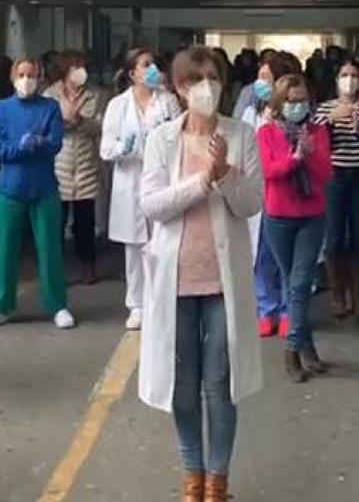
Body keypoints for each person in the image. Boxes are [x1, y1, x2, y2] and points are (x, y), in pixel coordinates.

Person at [138, 46, 263, 502]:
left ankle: (217, 481)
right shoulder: (162, 139)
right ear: (178, 88)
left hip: (222, 283)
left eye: (213, 77)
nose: (206, 87)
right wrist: (201, 180)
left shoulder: (241, 134)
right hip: (176, 281)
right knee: (183, 386)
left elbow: (252, 203)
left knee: (219, 384)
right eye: (195, 80)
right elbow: (153, 205)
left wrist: (225, 172)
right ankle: (193, 475)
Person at [0, 58, 75, 330]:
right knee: (6, 248)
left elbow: (55, 144)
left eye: (31, 75)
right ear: (12, 78)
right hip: (10, 189)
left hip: (44, 188)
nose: (26, 80)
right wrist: (22, 149)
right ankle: (1, 305)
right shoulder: (1, 108)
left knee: (50, 248)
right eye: (21, 74)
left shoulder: (50, 107)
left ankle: (57, 305)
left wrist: (39, 143)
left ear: (40, 78)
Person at [258, 73, 333, 383]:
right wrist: (294, 158)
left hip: (312, 214)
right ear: (279, 104)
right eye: (291, 101)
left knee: (301, 282)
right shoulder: (266, 133)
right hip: (279, 215)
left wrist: (310, 154)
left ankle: (292, 349)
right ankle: (308, 346)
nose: (298, 106)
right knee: (292, 282)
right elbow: (268, 171)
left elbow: (326, 173)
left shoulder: (317, 131)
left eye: (303, 100)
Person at [101, 48, 181, 330]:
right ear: (132, 73)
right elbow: (106, 148)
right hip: (131, 180)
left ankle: (163, 299)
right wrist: (125, 149)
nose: (152, 68)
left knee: (164, 242)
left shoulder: (169, 101)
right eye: (145, 64)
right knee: (135, 248)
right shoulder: (118, 105)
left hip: (162, 178)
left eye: (154, 64)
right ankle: (136, 305)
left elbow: (178, 138)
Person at [316, 59, 359, 320]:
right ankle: (337, 294)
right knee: (334, 237)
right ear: (337, 80)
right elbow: (317, 142)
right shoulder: (325, 108)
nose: (350, 80)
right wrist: (331, 121)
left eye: (354, 75)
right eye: (344, 75)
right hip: (334, 176)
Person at [242, 52, 301, 337]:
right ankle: (266, 308)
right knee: (262, 256)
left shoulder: (295, 113)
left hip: (286, 191)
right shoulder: (251, 111)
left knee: (285, 257)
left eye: (266, 77)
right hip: (258, 190)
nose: (260, 83)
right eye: (260, 76)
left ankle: (288, 311)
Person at [45, 50, 106, 285]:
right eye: (75, 67)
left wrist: (80, 121)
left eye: (83, 66)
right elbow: (45, 126)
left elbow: (100, 127)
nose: (81, 71)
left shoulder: (96, 95)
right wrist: (65, 122)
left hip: (85, 161)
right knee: (56, 220)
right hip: (58, 161)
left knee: (85, 220)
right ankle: (55, 269)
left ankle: (87, 265)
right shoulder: (50, 95)